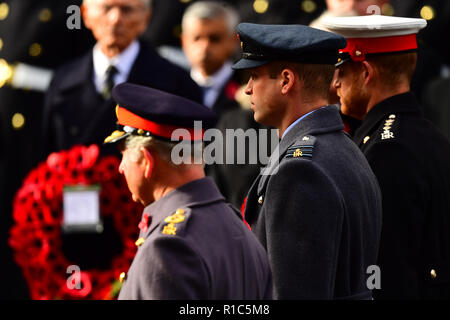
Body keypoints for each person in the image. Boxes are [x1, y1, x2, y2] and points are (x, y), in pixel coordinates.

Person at [234, 23, 382, 299]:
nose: (248, 89)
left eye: (255, 76)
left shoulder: (298, 171)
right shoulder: (343, 146)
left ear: (286, 81)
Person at [103, 82, 272, 299]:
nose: (121, 167)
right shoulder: (238, 227)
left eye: (124, 154)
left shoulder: (167, 249)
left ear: (147, 161)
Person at [325, 14, 450, 299]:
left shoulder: (386, 150)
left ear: (366, 73)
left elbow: (386, 268)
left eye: (342, 71)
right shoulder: (427, 134)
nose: (335, 84)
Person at [41, 0, 202, 157]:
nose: (116, 18)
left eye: (127, 10)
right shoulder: (63, 80)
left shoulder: (176, 84)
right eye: (106, 8)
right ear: (85, 14)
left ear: (146, 17)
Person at [180, 1, 264, 209]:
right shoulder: (172, 88)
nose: (205, 47)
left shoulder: (250, 88)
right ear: (183, 41)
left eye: (214, 38)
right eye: (197, 38)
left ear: (233, 42)